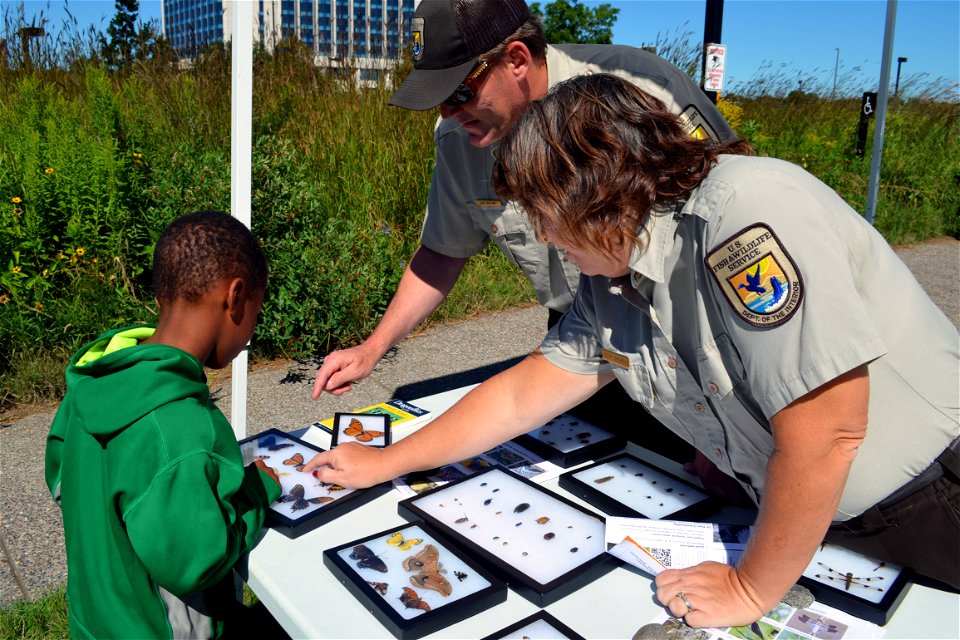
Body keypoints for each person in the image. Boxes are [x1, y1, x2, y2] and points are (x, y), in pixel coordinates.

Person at [304, 75, 960, 628]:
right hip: (809, 521)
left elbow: (827, 432)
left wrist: (749, 591)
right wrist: (387, 462)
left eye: (542, 213)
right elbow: (524, 392)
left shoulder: (746, 214)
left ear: (600, 196)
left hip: (932, 500)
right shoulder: (612, 269)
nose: (538, 236)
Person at [313, 0, 733, 463]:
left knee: (702, 490)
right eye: (440, 99)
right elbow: (443, 251)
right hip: (581, 332)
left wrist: (723, 435)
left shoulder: (641, 93)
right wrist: (374, 347)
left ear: (515, 59)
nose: (450, 113)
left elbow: (719, 244)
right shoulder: (461, 139)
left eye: (459, 91)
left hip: (681, 338)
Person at [45, 211, 284, 639]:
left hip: (95, 625)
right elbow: (197, 561)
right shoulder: (183, 431)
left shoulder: (94, 381)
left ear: (162, 295)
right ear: (235, 296)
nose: (249, 332)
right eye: (255, 312)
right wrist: (256, 490)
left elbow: (61, 477)